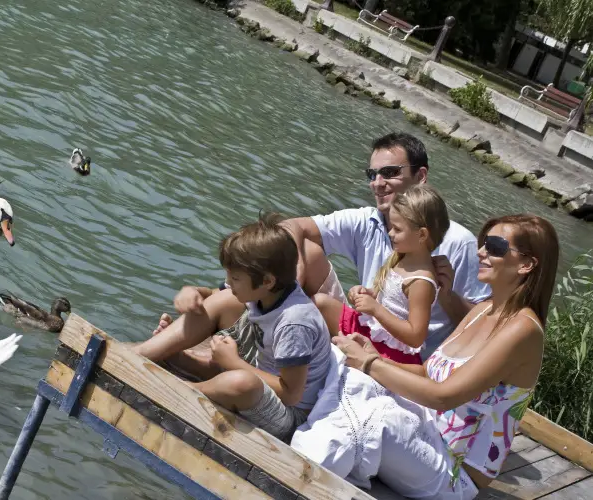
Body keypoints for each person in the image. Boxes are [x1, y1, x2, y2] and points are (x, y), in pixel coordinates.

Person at [138, 132, 490, 365]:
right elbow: (294, 226)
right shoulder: (369, 220)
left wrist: (445, 297)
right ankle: (216, 324)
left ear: (421, 176)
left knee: (264, 293)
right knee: (305, 248)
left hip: (406, 354)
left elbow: (483, 329)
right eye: (372, 174)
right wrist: (291, 276)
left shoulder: (457, 243)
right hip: (365, 321)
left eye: (390, 172)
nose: (378, 183)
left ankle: (171, 349)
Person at [291, 214, 558, 500]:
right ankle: (300, 465)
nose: (480, 252)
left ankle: (296, 477)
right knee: (351, 375)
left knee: (379, 419)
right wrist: (372, 356)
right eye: (483, 243)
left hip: (453, 472)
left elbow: (443, 397)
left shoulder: (523, 330)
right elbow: (428, 373)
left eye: (494, 246)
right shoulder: (484, 308)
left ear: (526, 264)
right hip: (425, 428)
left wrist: (372, 364)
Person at [145, 213, 332, 441]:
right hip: (263, 369)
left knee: (242, 383)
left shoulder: (295, 323)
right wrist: (194, 292)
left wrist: (234, 363)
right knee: (226, 299)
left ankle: (179, 388)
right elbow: (217, 295)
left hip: (289, 415)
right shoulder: (269, 291)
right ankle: (155, 355)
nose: (228, 282)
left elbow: (292, 394)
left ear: (267, 281)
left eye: (235, 278)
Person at [315, 184, 450, 365]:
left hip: (389, 350)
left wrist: (376, 309)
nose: (390, 233)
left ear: (422, 234)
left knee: (320, 304)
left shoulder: (421, 281)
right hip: (372, 329)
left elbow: (415, 336)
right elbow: (393, 299)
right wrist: (369, 294)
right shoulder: (402, 257)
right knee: (319, 302)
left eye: (398, 229)